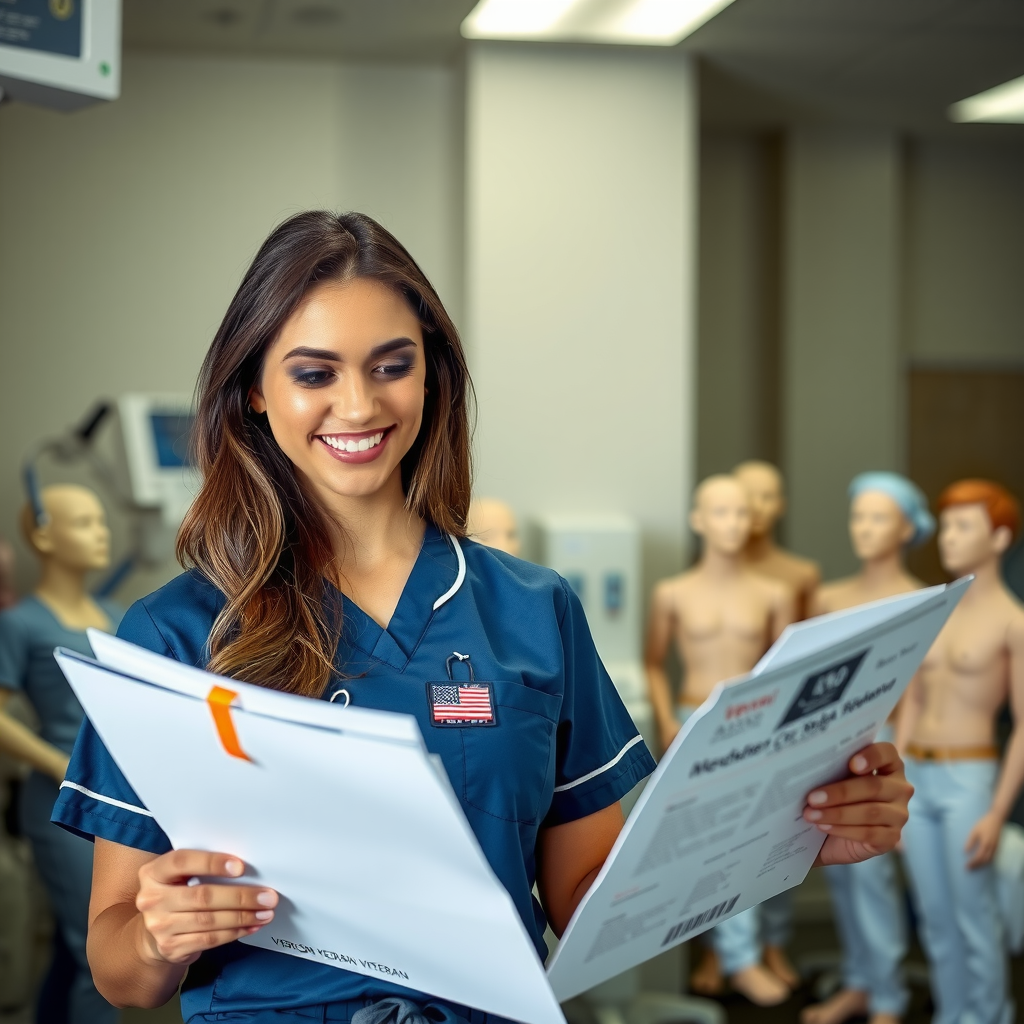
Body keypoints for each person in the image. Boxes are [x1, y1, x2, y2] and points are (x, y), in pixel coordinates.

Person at [52, 212, 913, 1024]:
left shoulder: (532, 611)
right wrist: (161, 933)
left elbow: (590, 904)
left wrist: (787, 837)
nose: (358, 406)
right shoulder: (173, 635)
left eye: (391, 365)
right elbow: (117, 968)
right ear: (254, 394)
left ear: (431, 375)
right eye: (314, 372)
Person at [645, 474, 797, 1005]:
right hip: (693, 719)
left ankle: (742, 958)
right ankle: (725, 953)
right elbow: (654, 663)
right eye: (720, 512)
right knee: (698, 840)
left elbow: (786, 666)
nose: (732, 524)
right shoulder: (673, 593)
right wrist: (665, 719)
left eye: (740, 513)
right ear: (698, 520)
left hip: (753, 722)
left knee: (748, 837)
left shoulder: (773, 593)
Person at [803, 472, 934, 1024]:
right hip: (828, 748)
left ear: (907, 528)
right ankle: (859, 981)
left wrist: (899, 765)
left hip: (883, 751)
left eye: (878, 517)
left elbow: (920, 696)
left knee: (873, 873)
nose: (864, 528)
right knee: (839, 870)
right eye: (858, 515)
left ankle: (888, 995)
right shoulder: (829, 595)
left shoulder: (919, 601)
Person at [897, 479, 1024, 1024]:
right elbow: (910, 702)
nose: (948, 537)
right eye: (945, 525)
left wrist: (997, 811)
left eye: (963, 525)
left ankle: (990, 1014)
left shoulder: (1013, 622)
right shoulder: (933, 611)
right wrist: (896, 781)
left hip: (971, 776)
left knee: (976, 914)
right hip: (919, 775)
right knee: (934, 915)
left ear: (999, 538)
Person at [0, 484, 122, 1024]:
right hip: (58, 800)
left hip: (113, 795)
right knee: (101, 953)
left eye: (102, 521)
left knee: (76, 952)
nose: (102, 534)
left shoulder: (121, 614)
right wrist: (56, 764)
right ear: (44, 535)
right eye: (84, 523)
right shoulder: (21, 624)